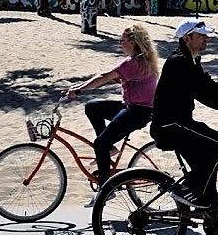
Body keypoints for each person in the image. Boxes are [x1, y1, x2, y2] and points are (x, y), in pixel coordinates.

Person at [151, 19, 218, 235]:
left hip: (181, 123)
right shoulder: (179, 62)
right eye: (201, 35)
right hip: (170, 125)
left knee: (208, 169)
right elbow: (203, 94)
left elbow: (211, 86)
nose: (206, 38)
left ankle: (215, 225)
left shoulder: (191, 60)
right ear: (187, 38)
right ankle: (183, 189)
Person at [64, 22, 160, 207]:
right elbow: (108, 79)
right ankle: (109, 150)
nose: (120, 43)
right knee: (92, 107)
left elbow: (104, 76)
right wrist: (78, 88)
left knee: (99, 143)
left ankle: (105, 190)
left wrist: (78, 90)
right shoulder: (140, 60)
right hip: (131, 106)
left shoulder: (134, 62)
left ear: (133, 42)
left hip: (138, 112)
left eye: (122, 40)